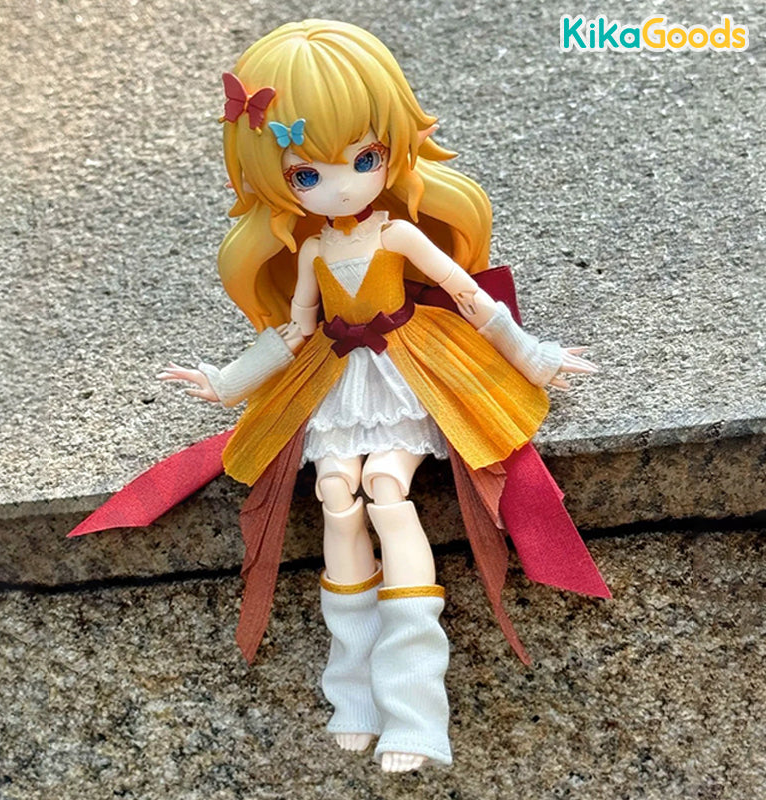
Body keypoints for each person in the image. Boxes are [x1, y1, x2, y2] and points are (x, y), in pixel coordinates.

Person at [157, 19, 601, 772]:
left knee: (387, 488)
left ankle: (416, 711)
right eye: (307, 175)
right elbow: (296, 330)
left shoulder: (397, 235)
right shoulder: (311, 249)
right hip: (337, 377)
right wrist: (227, 382)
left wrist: (531, 353)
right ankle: (353, 695)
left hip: (406, 368)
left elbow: (467, 296)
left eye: (364, 159)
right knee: (336, 491)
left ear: (390, 150)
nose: (341, 185)